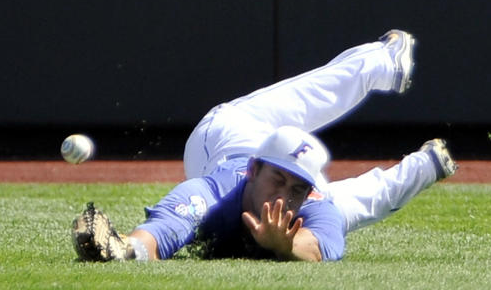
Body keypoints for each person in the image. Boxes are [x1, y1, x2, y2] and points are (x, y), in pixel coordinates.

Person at [72, 29, 457, 262]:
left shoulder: (311, 202)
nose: (285, 196)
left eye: (297, 188)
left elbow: (319, 248)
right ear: (255, 170)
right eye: (278, 180)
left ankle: (427, 165)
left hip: (277, 160)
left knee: (356, 206)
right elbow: (163, 231)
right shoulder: (216, 191)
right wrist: (126, 250)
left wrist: (285, 245)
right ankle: (382, 63)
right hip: (228, 136)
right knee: (307, 98)